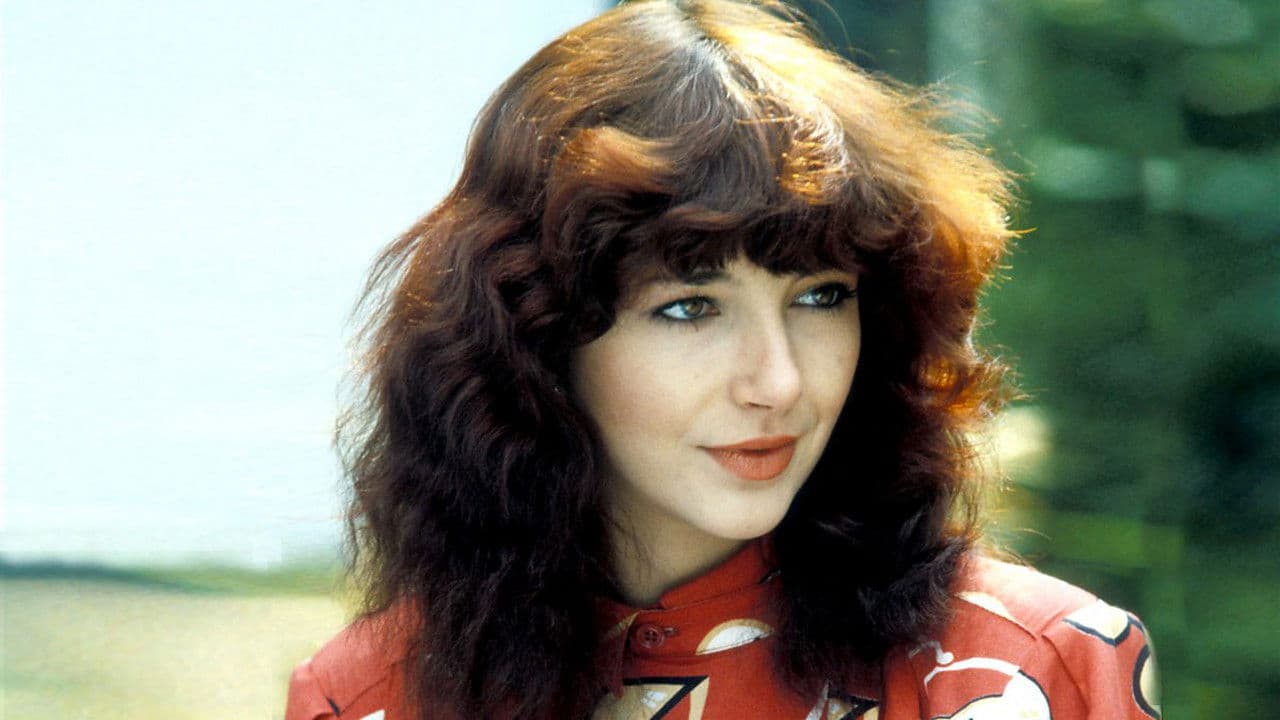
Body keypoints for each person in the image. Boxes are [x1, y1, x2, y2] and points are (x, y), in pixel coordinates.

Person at [286, 1, 1160, 718]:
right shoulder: (368, 696)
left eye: (821, 296)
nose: (779, 382)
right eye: (689, 308)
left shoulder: (1034, 671)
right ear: (534, 340)